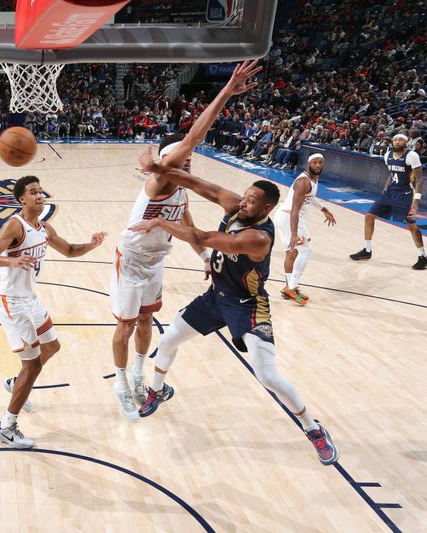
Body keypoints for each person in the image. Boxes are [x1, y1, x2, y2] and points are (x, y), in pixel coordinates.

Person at [131, 60, 339, 466]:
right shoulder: (238, 206)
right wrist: (159, 167)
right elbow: (200, 184)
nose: (241, 202)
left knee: (268, 376)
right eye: (242, 197)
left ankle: (314, 429)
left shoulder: (257, 236)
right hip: (216, 295)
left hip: (247, 304)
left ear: (266, 208)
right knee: (169, 340)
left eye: (250, 201)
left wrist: (160, 220)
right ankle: (157, 389)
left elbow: (204, 238)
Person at [0, 176, 106, 448]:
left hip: (30, 299)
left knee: (52, 346)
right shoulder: (15, 225)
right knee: (33, 363)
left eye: (41, 191)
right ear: (21, 200)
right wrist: (10, 261)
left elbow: (70, 250)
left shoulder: (45, 227)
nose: (39, 195)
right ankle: (6, 426)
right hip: (12, 302)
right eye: (33, 192)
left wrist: (91, 244)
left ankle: (16, 383)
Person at [110, 135, 210, 421]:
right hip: (130, 261)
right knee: (125, 326)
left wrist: (204, 258)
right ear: (168, 161)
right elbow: (188, 143)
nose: (187, 161)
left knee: (146, 320)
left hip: (156, 263)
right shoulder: (157, 184)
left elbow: (189, 227)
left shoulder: (183, 193)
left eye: (190, 158)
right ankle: (120, 384)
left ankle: (138, 372)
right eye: (182, 157)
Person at [349, 133, 426, 270]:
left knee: (411, 225)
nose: (397, 141)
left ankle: (422, 257)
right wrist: (385, 189)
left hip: (405, 193)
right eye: (395, 139)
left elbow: (419, 179)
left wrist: (415, 202)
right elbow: (391, 175)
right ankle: (367, 251)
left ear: (406, 143)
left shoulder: (411, 156)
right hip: (390, 192)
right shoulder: (387, 155)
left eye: (400, 140)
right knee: (369, 216)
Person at [273, 153, 336, 304]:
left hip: (285, 217)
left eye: (320, 162)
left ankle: (289, 288)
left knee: (292, 252)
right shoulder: (303, 181)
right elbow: (295, 209)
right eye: (315, 162)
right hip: (290, 216)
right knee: (306, 250)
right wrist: (294, 234)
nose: (318, 165)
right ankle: (292, 287)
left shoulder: (313, 179)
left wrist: (324, 210)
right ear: (308, 164)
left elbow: (310, 197)